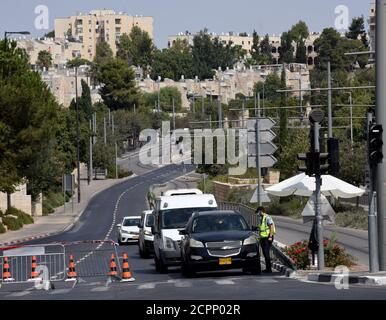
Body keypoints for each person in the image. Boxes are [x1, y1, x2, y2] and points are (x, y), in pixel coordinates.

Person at [257, 206, 276, 273]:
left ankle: (269, 269)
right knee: (265, 253)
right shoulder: (262, 218)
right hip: (263, 238)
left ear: (261, 211)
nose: (258, 213)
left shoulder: (267, 217)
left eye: (258, 212)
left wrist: (270, 236)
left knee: (266, 253)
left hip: (268, 238)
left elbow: (271, 226)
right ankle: (267, 268)